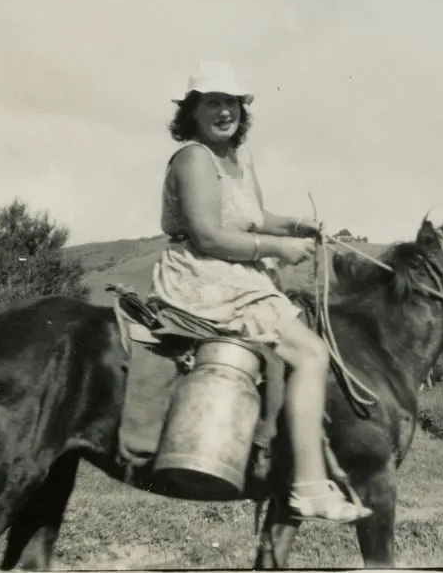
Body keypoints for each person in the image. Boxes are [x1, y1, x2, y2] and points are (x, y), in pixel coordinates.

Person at [152, 60, 372, 524]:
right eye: (212, 102)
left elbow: (253, 214)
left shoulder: (238, 156)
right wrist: (277, 247)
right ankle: (309, 487)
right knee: (312, 354)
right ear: (192, 112)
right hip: (204, 274)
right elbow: (209, 235)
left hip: (238, 271)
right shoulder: (193, 157)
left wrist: (296, 225)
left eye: (230, 102)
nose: (223, 112)